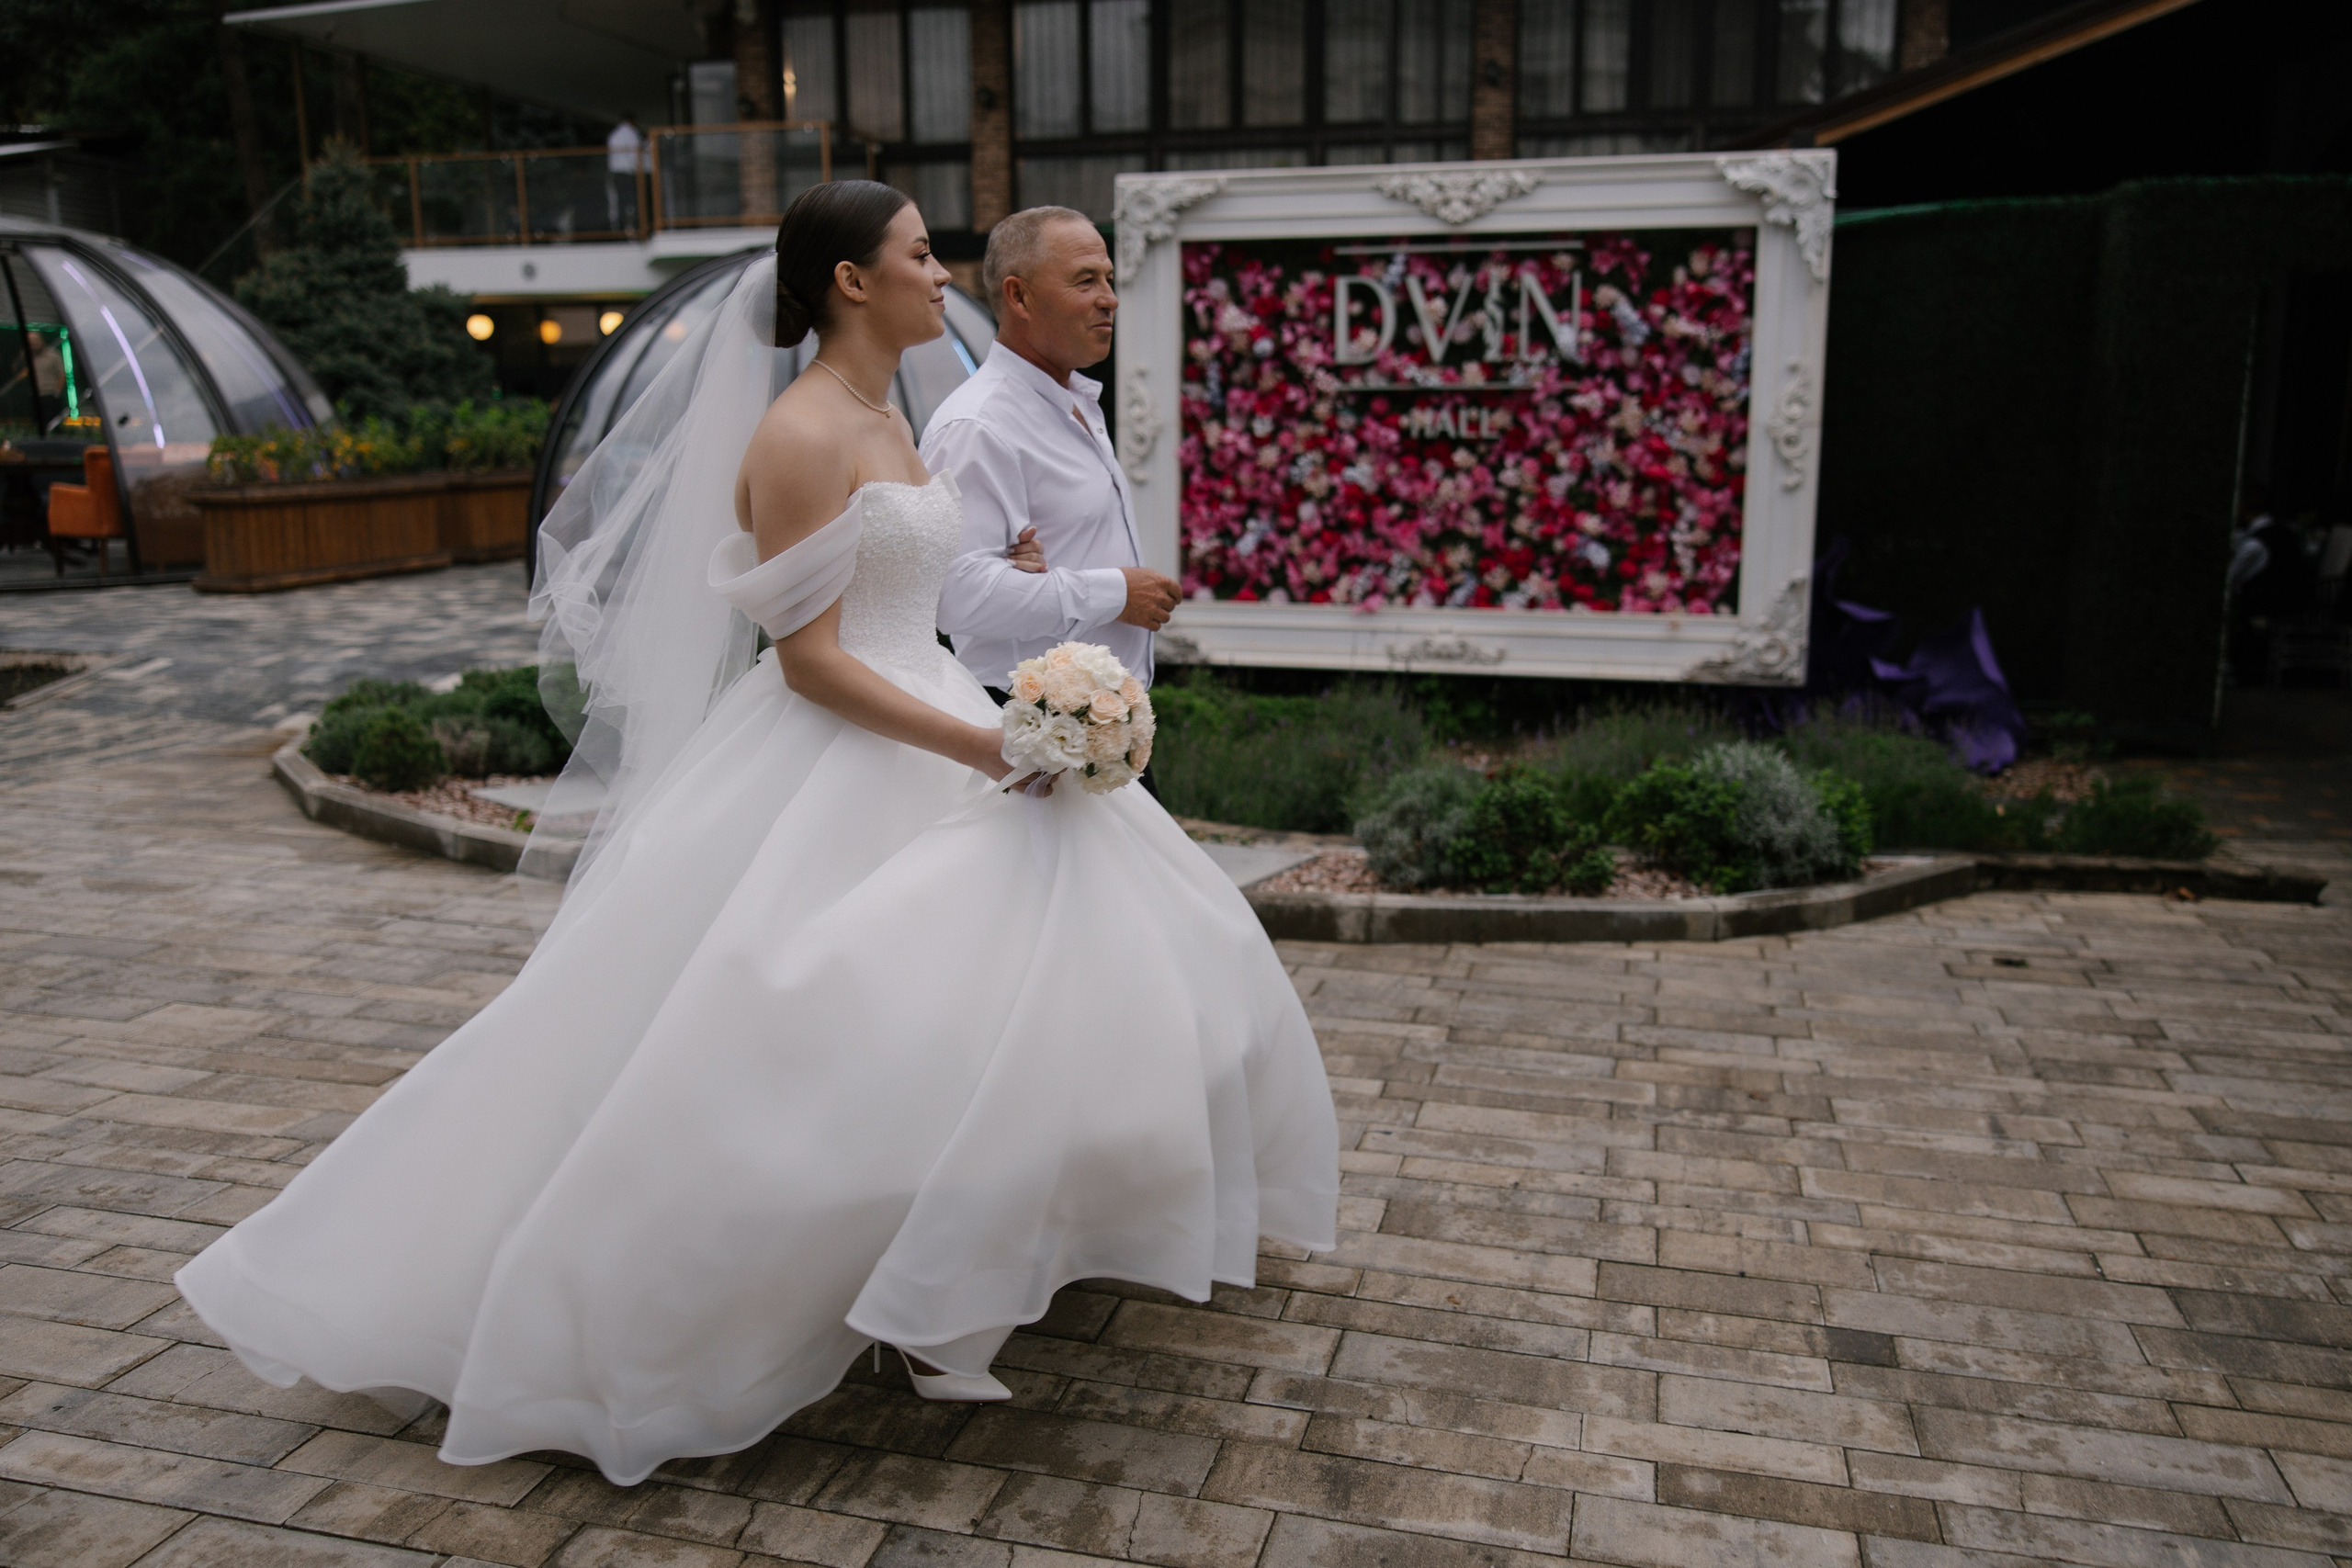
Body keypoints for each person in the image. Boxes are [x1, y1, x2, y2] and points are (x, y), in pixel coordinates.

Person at [173, 180, 1338, 1488]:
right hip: (854, 746)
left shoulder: (885, 414)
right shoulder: (797, 431)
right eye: (918, 255)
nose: (940, 275)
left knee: (1016, 999)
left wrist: (1010, 589)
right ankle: (821, 1293)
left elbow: (908, 585)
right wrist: (986, 746)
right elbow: (811, 661)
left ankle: (948, 1278)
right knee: (832, 1023)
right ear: (851, 280)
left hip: (934, 706)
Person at [924, 206, 1182, 701]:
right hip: (1021, 716)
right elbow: (956, 595)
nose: (1109, 299)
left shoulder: (1072, 398)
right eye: (1085, 281)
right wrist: (1117, 593)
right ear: (1019, 296)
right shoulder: (979, 425)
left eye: (1108, 279)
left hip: (1100, 715)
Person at [605, 114, 645, 231]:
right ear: (632, 121)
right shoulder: (631, 133)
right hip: (627, 171)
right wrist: (639, 168)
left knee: (619, 200)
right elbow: (635, 153)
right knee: (631, 200)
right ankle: (631, 226)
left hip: (615, 171)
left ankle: (619, 227)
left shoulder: (614, 134)